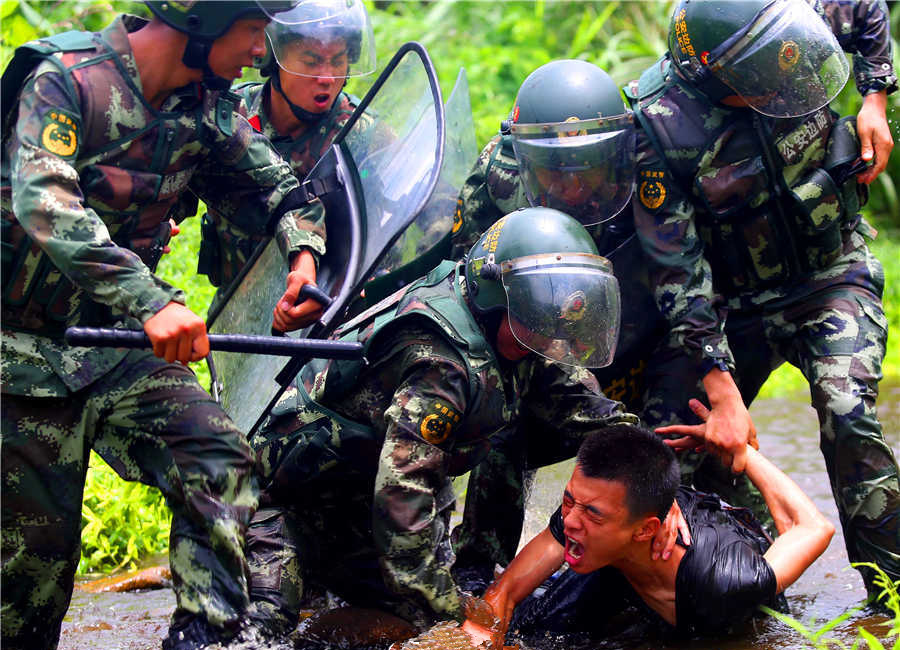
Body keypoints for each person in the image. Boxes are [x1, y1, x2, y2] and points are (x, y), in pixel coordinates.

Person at [0, 1, 331, 648]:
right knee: (34, 570)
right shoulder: (65, 79)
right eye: (254, 32)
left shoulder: (206, 105)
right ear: (202, 20)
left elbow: (279, 188)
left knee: (219, 459)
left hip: (119, 345)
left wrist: (303, 253)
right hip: (22, 351)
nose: (260, 53)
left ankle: (201, 639)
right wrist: (153, 302)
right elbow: (45, 201)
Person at [242, 207, 691, 639]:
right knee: (261, 628)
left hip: (357, 513)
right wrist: (455, 611)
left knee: (411, 627)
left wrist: (653, 488)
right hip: (285, 502)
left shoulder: (524, 336)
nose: (555, 333)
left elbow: (596, 413)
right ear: (500, 303)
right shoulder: (442, 365)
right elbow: (403, 496)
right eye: (540, 316)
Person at [625, 0, 899, 599]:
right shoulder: (659, 127)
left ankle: (893, 596)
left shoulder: (786, 26)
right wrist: (721, 393)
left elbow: (864, 8)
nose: (779, 78)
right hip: (730, 309)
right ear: (712, 76)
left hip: (830, 275)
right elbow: (677, 269)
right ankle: (735, 581)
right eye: (756, 76)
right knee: (663, 447)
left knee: (847, 411)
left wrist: (876, 96)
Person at [448, 59, 722, 595]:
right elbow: (469, 275)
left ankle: (704, 556)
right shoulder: (496, 177)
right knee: (505, 430)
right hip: (543, 334)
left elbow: (683, 266)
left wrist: (712, 366)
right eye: (553, 172)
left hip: (642, 326)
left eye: (587, 169)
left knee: (671, 451)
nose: (571, 188)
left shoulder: (651, 161)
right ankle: (483, 570)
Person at [462, 416, 834, 646]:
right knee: (531, 633)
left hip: (704, 599)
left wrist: (742, 451)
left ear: (646, 530)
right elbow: (505, 593)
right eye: (569, 500)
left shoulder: (725, 580)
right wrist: (476, 635)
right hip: (621, 562)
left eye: (591, 512)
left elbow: (813, 527)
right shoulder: (583, 513)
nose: (571, 521)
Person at [198, 0, 376, 314]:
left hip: (325, 307)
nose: (327, 77)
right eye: (311, 61)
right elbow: (178, 178)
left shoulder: (361, 133)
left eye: (338, 61)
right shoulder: (232, 115)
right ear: (273, 60)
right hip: (237, 304)